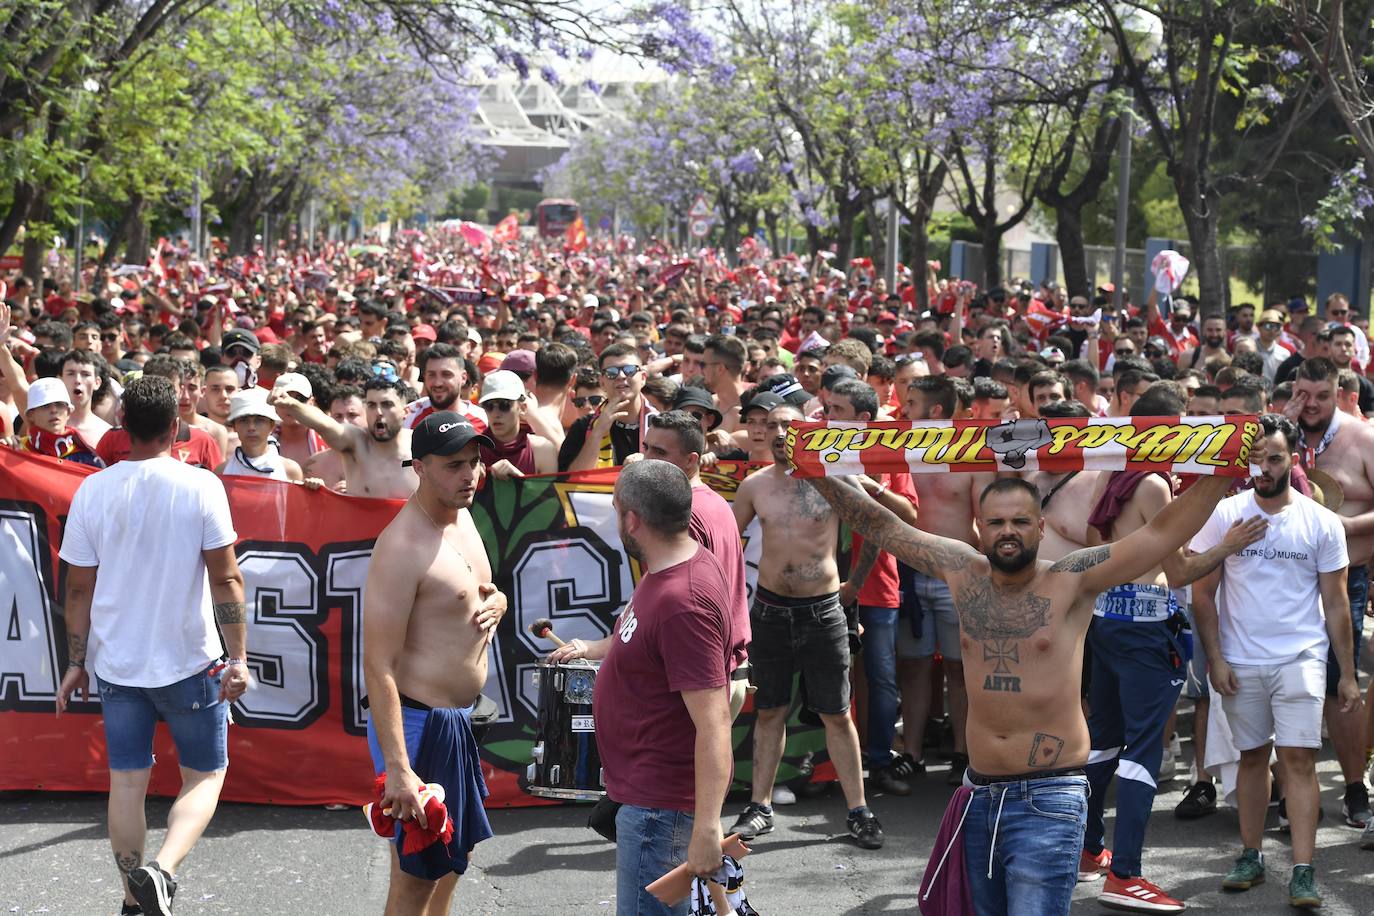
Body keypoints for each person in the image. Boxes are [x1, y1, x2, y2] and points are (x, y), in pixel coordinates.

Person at [804, 462, 1243, 916]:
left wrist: (1225, 469)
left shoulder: (1072, 578)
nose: (1007, 532)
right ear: (980, 526)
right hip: (978, 794)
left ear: (1041, 526)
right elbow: (883, 524)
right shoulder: (962, 570)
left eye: (1019, 522)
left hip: (1050, 796)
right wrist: (813, 470)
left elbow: (1163, 533)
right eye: (995, 522)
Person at [55, 375, 251, 916]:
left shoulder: (92, 489)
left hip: (118, 665)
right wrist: (239, 657)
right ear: (174, 428)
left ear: (122, 426)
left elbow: (77, 585)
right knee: (206, 775)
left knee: (126, 784)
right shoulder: (201, 485)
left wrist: (76, 661)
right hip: (190, 661)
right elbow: (227, 580)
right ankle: (160, 872)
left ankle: (131, 901)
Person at [548, 459, 734, 916]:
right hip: (651, 803)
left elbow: (714, 724)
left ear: (632, 518)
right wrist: (594, 648)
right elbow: (641, 636)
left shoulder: (682, 601)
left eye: (616, 510)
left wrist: (707, 829)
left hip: (661, 812)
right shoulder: (668, 567)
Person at [1191, 414, 1360, 908]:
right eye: (1256, 458)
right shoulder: (1225, 515)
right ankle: (1251, 854)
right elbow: (1203, 594)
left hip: (1301, 659)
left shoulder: (1322, 522)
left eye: (1274, 458)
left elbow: (1337, 603)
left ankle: (1303, 870)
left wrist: (1347, 674)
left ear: (1294, 459)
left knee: (1299, 760)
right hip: (1240, 660)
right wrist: (1216, 659)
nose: (1263, 468)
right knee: (1250, 758)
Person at [362, 411, 507, 915]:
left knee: (451, 861)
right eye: (453, 465)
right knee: (415, 878)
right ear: (419, 467)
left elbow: (473, 588)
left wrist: (500, 601)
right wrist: (399, 770)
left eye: (473, 462)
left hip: (459, 721)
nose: (469, 474)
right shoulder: (401, 547)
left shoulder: (461, 514)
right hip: (419, 725)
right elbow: (377, 665)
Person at [728, 402, 886, 850]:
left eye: (789, 425)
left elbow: (874, 526)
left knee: (837, 713)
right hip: (771, 611)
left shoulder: (835, 478)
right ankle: (759, 807)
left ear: (807, 431)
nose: (780, 433)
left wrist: (855, 583)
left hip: (824, 612)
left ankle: (859, 810)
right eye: (773, 425)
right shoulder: (754, 486)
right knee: (770, 710)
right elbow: (726, 544)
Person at [1289, 357, 1374, 829]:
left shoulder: (1362, 440)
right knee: (1288, 683)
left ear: (1339, 392)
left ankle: (1354, 787)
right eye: (1304, 395)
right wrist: (1282, 412)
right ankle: (1289, 790)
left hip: (1346, 578)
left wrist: (1342, 525)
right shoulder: (1281, 436)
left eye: (1322, 396)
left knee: (1341, 686)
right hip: (1284, 581)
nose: (1312, 405)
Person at [899, 374, 992, 781]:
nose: (903, 410)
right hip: (910, 575)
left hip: (959, 577)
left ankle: (963, 752)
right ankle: (913, 753)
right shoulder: (896, 448)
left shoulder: (971, 455)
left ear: (935, 411)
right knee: (914, 667)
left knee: (962, 670)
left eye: (912, 403)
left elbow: (987, 522)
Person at [636, 411, 751, 718]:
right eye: (646, 447)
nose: (647, 458)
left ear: (691, 460)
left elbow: (682, 604)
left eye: (660, 452)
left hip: (701, 673)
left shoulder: (684, 514)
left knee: (692, 765)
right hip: (718, 668)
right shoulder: (711, 501)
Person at [270, 377, 417, 499]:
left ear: (405, 412)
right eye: (372, 405)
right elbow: (324, 424)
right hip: (363, 533)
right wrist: (290, 404)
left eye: (387, 404)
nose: (378, 412)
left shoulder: (421, 447)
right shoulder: (355, 443)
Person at [560, 344, 655, 471]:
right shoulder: (583, 427)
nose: (621, 376)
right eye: (611, 372)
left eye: (629, 370)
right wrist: (598, 432)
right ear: (602, 382)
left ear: (643, 378)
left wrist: (649, 462)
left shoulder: (661, 425)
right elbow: (571, 481)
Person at [476, 370, 557, 479]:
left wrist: (520, 481)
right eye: (488, 406)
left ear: (522, 408)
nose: (496, 414)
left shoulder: (543, 450)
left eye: (504, 405)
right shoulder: (473, 450)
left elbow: (550, 495)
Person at [217, 389, 308, 483]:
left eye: (259, 420)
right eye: (243, 420)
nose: (251, 427)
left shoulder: (290, 471)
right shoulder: (221, 472)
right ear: (234, 426)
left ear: (272, 425)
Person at [13, 376, 104, 466]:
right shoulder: (16, 451)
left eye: (59, 405)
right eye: (45, 406)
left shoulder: (89, 459)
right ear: (30, 415)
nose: (54, 410)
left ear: (68, 412)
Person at [404, 343, 488, 433]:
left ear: (463, 378)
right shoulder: (409, 416)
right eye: (431, 375)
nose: (438, 383)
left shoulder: (483, 420)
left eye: (446, 374)